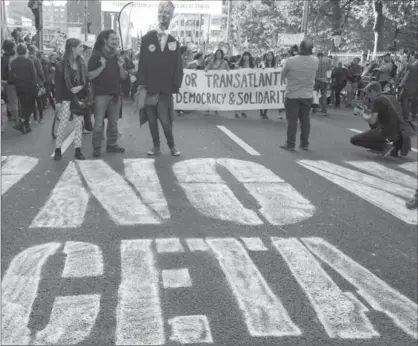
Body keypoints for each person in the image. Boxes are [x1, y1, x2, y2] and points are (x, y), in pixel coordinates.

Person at [136, 0, 183, 156]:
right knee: (151, 121)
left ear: (171, 17)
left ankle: (172, 146)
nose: (164, 16)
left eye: (168, 13)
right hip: (150, 88)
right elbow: (142, 63)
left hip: (165, 90)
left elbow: (178, 66)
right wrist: (141, 83)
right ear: (158, 14)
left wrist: (175, 85)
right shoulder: (147, 38)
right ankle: (156, 146)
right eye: (162, 12)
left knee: (165, 121)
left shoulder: (173, 42)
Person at [88, 29, 129, 158]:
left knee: (113, 123)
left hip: (116, 94)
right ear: (105, 40)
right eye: (113, 39)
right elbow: (89, 76)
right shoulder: (96, 56)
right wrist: (101, 67)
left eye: (116, 39)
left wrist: (121, 66)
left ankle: (112, 145)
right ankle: (97, 147)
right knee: (99, 123)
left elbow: (124, 77)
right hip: (101, 95)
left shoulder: (118, 56)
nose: (115, 42)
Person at [53, 38, 89, 161]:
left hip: (79, 98)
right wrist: (57, 101)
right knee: (63, 124)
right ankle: (58, 149)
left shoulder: (82, 63)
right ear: (73, 48)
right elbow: (58, 85)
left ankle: (78, 151)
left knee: (79, 125)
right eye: (80, 46)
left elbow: (86, 81)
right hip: (65, 99)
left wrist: (80, 87)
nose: (82, 49)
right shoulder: (61, 65)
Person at [280, 38, 318, 151]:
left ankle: (290, 144)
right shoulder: (315, 60)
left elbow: (283, 75)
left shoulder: (290, 60)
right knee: (305, 120)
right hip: (307, 95)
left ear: (299, 47)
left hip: (292, 94)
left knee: (292, 121)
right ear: (311, 49)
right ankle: (304, 143)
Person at [350, 81, 407, 157]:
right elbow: (386, 113)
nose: (368, 96)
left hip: (388, 133)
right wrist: (366, 111)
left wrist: (361, 114)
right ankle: (392, 145)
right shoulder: (391, 97)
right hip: (400, 133)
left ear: (373, 91)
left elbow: (372, 121)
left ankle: (383, 146)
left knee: (354, 140)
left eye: (368, 93)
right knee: (375, 125)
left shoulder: (377, 100)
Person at [9, 44, 37, 134]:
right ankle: (21, 122)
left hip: (19, 87)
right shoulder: (29, 61)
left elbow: (11, 78)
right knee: (31, 106)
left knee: (24, 106)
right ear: (26, 51)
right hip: (30, 87)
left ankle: (26, 127)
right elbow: (34, 75)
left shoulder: (13, 62)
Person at [1, 40, 19, 124]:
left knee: (12, 101)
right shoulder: (17, 56)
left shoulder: (3, 58)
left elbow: (3, 71)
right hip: (20, 81)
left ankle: (17, 120)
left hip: (9, 82)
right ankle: (20, 117)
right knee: (18, 100)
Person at [234, 51, 255, 118]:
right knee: (238, 97)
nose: (246, 56)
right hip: (240, 83)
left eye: (247, 55)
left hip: (248, 84)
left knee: (246, 98)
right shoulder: (238, 64)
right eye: (244, 55)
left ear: (249, 56)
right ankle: (236, 112)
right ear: (242, 56)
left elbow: (256, 72)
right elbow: (234, 72)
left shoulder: (252, 64)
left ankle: (243, 111)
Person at [259, 51, 276, 119]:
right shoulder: (263, 63)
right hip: (263, 83)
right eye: (268, 55)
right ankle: (261, 112)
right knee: (262, 98)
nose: (269, 56)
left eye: (270, 55)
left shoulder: (274, 64)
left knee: (268, 98)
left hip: (270, 84)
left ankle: (265, 112)